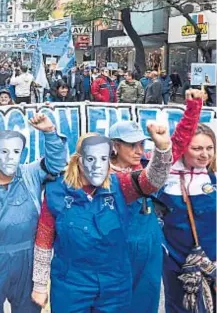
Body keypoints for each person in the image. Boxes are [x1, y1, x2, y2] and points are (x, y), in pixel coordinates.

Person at [31, 125, 173, 312]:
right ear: (79, 160)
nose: (97, 165)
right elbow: (44, 237)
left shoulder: (120, 185)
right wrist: (40, 285)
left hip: (114, 285)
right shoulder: (57, 190)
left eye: (103, 159)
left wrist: (163, 148)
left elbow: (151, 182)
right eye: (90, 159)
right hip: (71, 284)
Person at [0, 115, 67, 313]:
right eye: (4, 151)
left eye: (16, 151)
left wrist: (49, 132)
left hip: (26, 261)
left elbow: (57, 164)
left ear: (22, 154)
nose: (10, 157)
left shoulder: (31, 174)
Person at [109, 89, 203, 313]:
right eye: (131, 145)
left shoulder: (149, 163)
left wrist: (193, 107)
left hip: (150, 246)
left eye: (141, 143)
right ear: (114, 145)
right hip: (114, 248)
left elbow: (177, 144)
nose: (138, 149)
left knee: (146, 301)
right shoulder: (100, 174)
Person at [156, 118, 216, 311]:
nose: (205, 154)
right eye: (197, 148)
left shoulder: (213, 177)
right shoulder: (165, 180)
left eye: (210, 148)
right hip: (178, 264)